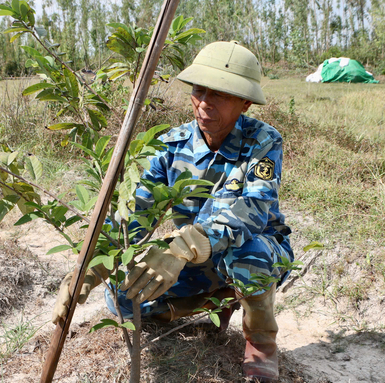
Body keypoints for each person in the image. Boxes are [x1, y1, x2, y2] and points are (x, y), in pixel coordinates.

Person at [52, 41, 293, 382]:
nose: (204, 104)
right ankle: (218, 303)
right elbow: (136, 213)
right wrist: (89, 267)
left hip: (255, 250)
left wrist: (182, 247)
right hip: (196, 259)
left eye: (220, 95)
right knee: (122, 295)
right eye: (199, 91)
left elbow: (252, 211)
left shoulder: (263, 141)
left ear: (245, 102)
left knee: (247, 256)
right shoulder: (170, 145)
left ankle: (261, 345)